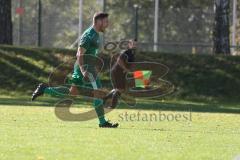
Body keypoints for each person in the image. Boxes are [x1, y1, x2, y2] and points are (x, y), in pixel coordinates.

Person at [32, 12, 119, 128]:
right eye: (106, 22)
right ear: (98, 21)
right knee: (97, 92)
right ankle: (102, 122)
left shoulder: (96, 35)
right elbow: (79, 53)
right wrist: (83, 70)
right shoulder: (89, 35)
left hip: (89, 68)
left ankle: (44, 89)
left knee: (72, 92)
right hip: (85, 68)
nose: (107, 24)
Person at [103, 39, 137, 108]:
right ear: (129, 45)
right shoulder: (126, 52)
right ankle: (112, 106)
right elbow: (119, 60)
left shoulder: (132, 53)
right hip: (117, 72)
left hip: (121, 73)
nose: (135, 45)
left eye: (136, 44)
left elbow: (130, 64)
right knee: (120, 89)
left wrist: (131, 71)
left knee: (120, 89)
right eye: (133, 44)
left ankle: (104, 99)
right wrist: (125, 69)